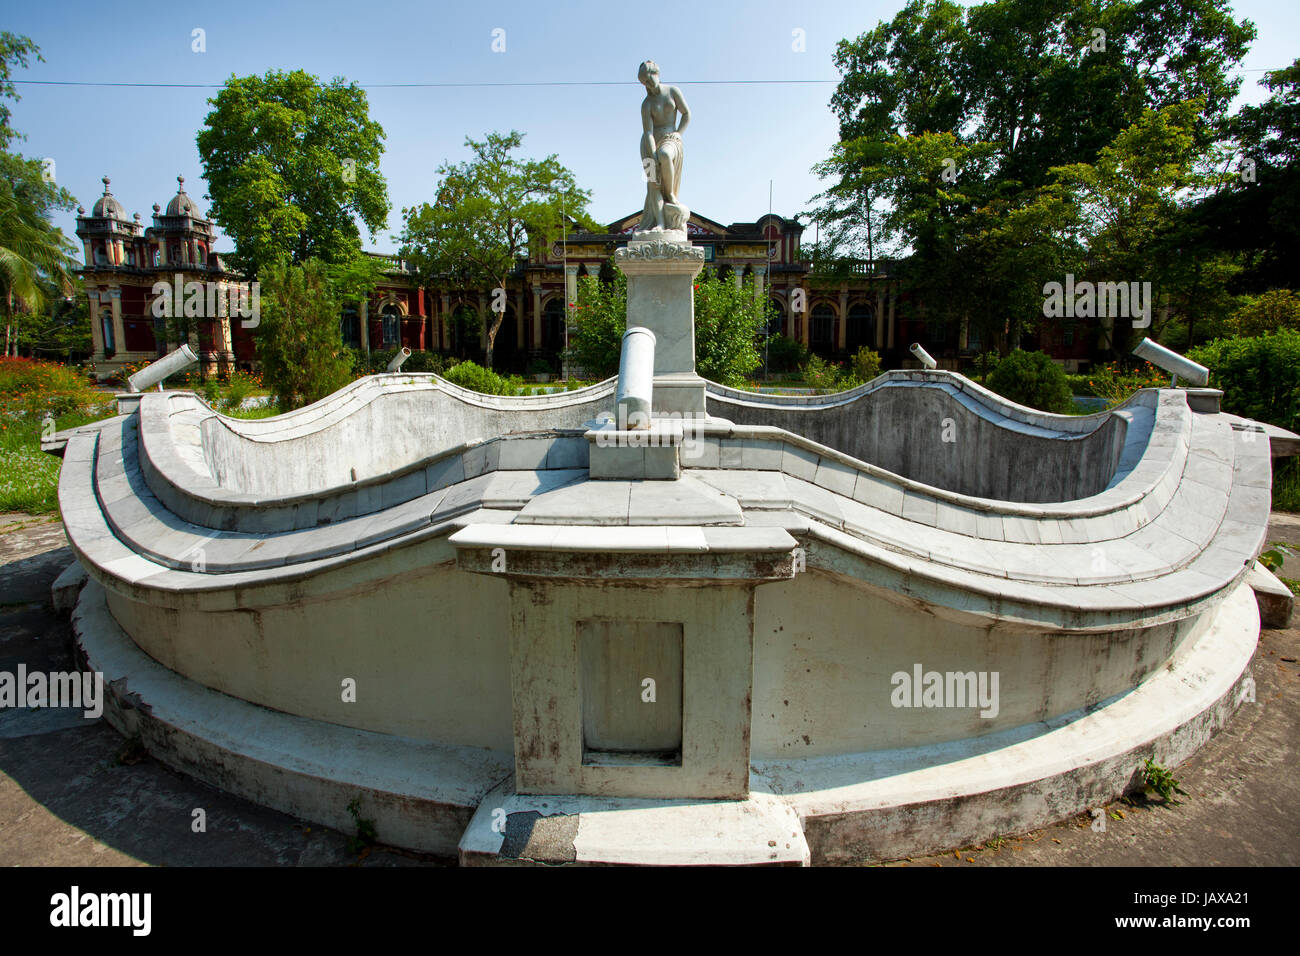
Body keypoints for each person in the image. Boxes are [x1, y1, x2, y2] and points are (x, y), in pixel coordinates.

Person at [638, 60, 691, 232]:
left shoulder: (673, 91)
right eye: (644, 82)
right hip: (648, 143)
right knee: (653, 183)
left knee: (665, 155)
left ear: (656, 74)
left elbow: (686, 114)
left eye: (648, 79)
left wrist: (678, 133)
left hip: (671, 138)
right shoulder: (646, 104)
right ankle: (660, 222)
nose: (647, 84)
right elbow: (648, 133)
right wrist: (651, 155)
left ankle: (670, 194)